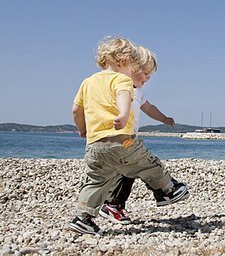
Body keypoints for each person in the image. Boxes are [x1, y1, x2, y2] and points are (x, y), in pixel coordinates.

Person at [68, 37, 189, 236]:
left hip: (95, 145)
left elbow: (76, 109)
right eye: (133, 64)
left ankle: (83, 219)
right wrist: (123, 115)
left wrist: (82, 128)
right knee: (148, 164)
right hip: (122, 140)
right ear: (123, 61)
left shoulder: (87, 82)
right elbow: (123, 96)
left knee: (96, 181)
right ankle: (168, 189)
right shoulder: (122, 80)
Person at [99, 45, 179, 225]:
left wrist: (164, 118)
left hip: (128, 139)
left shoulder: (138, 92)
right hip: (118, 139)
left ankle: (116, 204)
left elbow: (149, 108)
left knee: (131, 171)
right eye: (145, 72)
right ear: (130, 67)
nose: (148, 77)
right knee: (142, 165)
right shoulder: (119, 88)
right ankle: (164, 190)